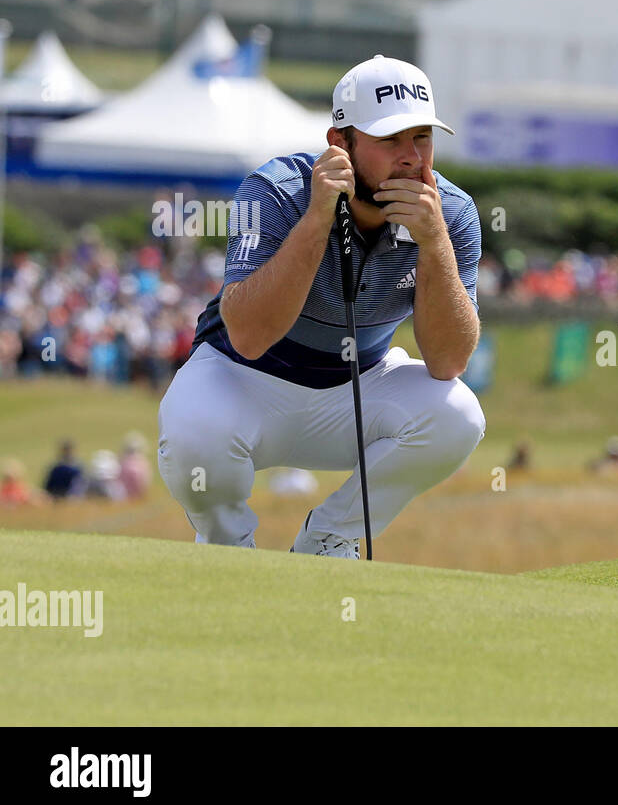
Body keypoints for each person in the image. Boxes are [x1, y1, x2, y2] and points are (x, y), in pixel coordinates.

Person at [157, 55, 486, 559]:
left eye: (422, 137)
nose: (411, 157)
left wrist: (434, 242)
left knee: (459, 416)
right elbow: (247, 336)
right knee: (193, 434)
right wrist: (316, 218)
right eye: (389, 139)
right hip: (245, 379)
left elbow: (449, 362)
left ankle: (327, 538)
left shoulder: (451, 215)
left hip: (355, 388)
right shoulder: (275, 192)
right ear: (341, 144)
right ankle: (227, 546)